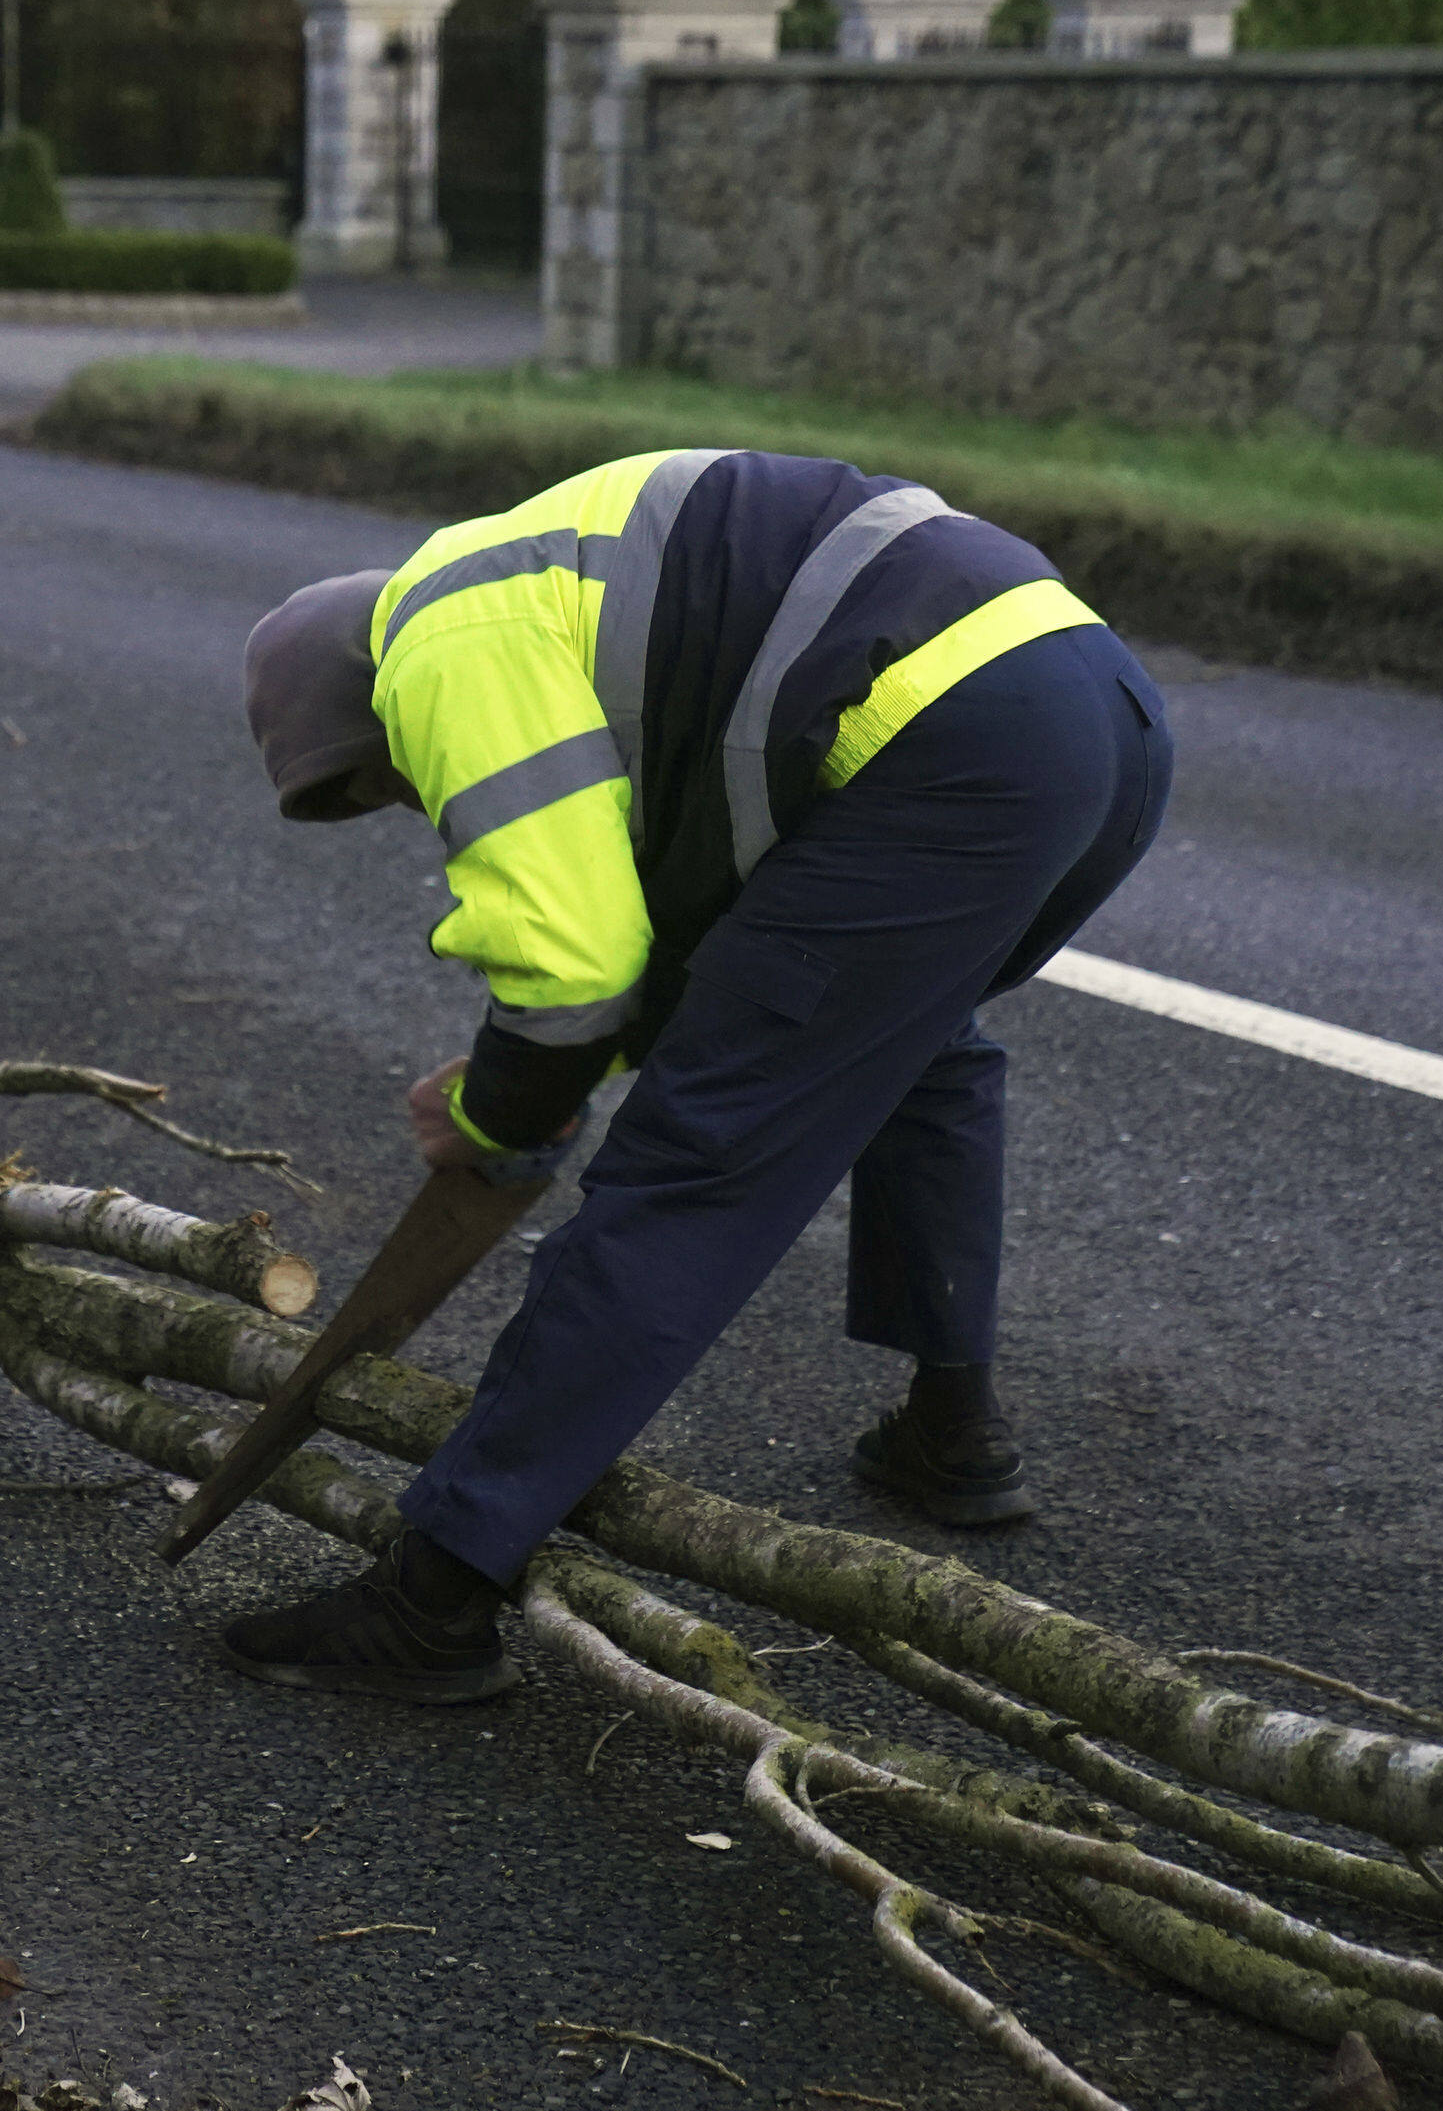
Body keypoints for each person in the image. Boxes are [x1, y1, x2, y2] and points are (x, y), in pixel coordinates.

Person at [226, 449, 1172, 1703]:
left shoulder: (441, 637)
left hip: (947, 739)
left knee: (691, 1162)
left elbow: (570, 964)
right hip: (1096, 703)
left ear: (368, 700)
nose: (409, 798)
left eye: (382, 777)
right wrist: (550, 1064)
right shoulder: (563, 599)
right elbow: (685, 951)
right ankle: (952, 1432)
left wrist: (499, 1113)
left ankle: (433, 1595)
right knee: (918, 1047)